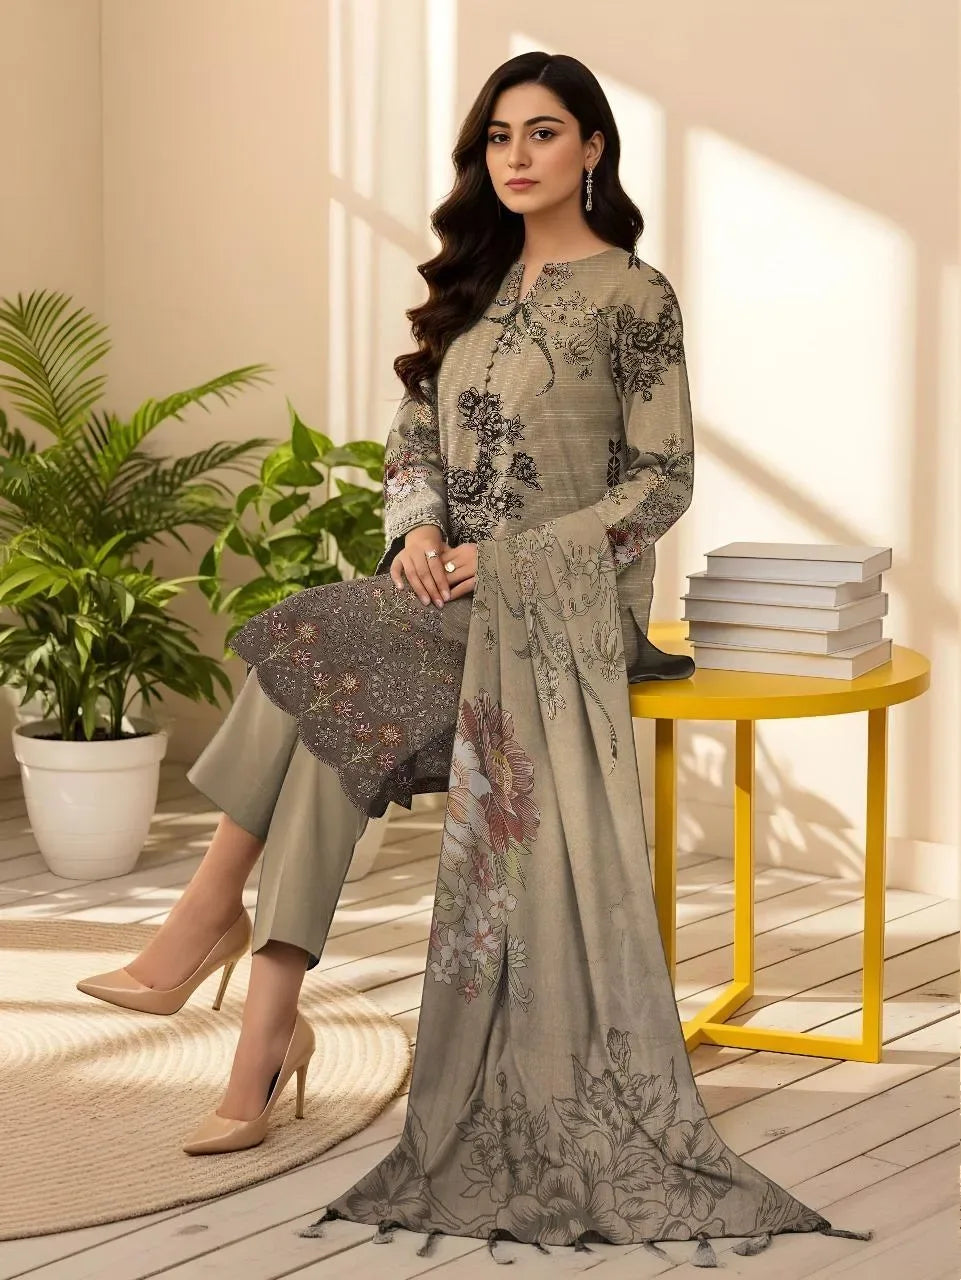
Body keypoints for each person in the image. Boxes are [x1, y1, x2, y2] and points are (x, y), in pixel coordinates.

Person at [76, 50, 870, 1261]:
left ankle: (208, 925)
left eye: (542, 132)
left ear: (591, 148)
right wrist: (416, 528)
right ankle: (264, 1030)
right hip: (438, 593)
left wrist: (504, 560)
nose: (516, 155)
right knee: (331, 728)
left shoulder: (634, 296)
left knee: (310, 631)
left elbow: (661, 481)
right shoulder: (477, 279)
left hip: (561, 608)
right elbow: (413, 434)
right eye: (499, 135)